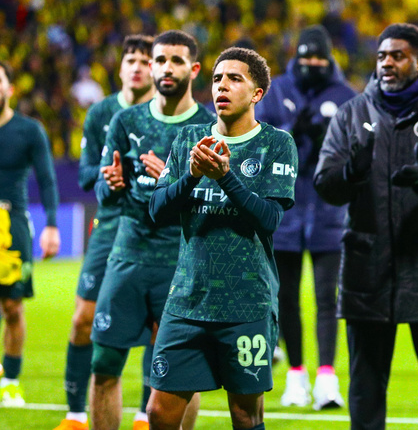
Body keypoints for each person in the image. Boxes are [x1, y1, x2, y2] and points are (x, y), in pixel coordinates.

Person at [315, 23, 418, 430]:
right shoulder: (352, 114)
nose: (386, 63)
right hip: (369, 270)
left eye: (396, 55)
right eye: (381, 56)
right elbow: (325, 185)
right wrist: (351, 171)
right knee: (365, 390)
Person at [146, 46, 297, 430]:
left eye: (235, 79)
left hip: (246, 302)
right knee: (158, 412)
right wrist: (192, 175)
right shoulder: (188, 139)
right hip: (187, 301)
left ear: (257, 93)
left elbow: (269, 219)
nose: (222, 87)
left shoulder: (277, 144)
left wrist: (225, 178)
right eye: (216, 79)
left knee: (245, 415)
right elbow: (157, 210)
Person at [89, 31, 213, 430]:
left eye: (176, 61)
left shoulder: (208, 127)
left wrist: (173, 183)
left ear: (193, 69)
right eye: (160, 60)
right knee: (104, 365)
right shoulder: (126, 121)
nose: (165, 68)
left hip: (181, 265)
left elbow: (216, 204)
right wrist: (109, 185)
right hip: (128, 256)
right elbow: (103, 195)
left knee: (182, 378)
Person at [54, 35, 156, 430]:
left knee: (155, 323)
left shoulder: (164, 114)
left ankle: (146, 414)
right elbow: (82, 176)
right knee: (83, 318)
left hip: (152, 228)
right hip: (110, 224)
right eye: (130, 58)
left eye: (145, 60)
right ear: (120, 68)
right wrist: (107, 176)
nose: (137, 66)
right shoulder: (101, 113)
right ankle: (76, 414)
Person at [255, 25, 356, 409]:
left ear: (329, 58)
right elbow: (258, 140)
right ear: (296, 56)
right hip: (285, 209)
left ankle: (327, 379)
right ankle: (296, 375)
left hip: (330, 211)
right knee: (286, 297)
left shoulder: (345, 96)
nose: (312, 63)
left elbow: (361, 151)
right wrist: (290, 134)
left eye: (319, 57)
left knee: (328, 298)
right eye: (306, 56)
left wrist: (332, 141)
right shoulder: (276, 90)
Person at [0, 57, 61, 406]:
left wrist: (52, 226)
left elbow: (46, 180)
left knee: (13, 307)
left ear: (10, 89)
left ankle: (10, 381)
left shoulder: (30, 131)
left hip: (12, 223)